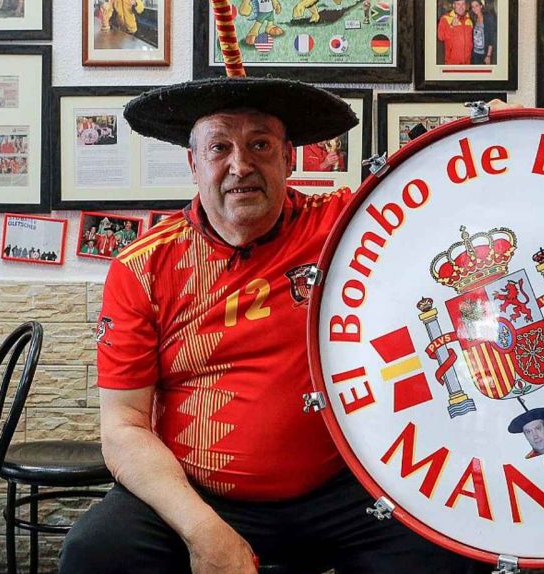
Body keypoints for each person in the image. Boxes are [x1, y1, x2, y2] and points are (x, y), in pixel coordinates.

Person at [58, 77, 493, 574]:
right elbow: (123, 428)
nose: (240, 165)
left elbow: (454, 199)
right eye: (219, 147)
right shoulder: (143, 267)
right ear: (193, 163)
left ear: (289, 159)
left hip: (349, 488)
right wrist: (204, 532)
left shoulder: (349, 226)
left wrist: (494, 135)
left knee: (452, 549)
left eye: (260, 145)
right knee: (96, 553)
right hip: (198, 493)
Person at [438, 0, 474, 66]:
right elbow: (441, 37)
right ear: (454, 5)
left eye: (463, 4)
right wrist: (451, 26)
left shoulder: (469, 19)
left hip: (467, 62)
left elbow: (471, 40)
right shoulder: (445, 18)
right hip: (452, 63)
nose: (461, 7)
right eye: (458, 4)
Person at [469, 0, 496, 65]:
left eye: (476, 6)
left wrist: (488, 55)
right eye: (473, 7)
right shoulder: (473, 18)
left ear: (481, 6)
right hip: (475, 53)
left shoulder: (488, 18)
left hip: (485, 54)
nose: (474, 8)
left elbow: (491, 38)